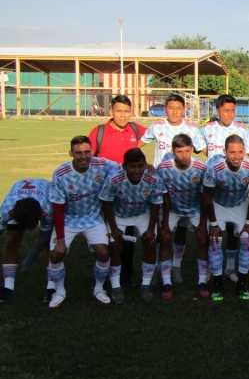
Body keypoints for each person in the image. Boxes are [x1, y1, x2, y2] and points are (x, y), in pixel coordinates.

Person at [139, 94, 207, 284]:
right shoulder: (157, 126)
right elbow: (138, 144)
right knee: (162, 228)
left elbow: (203, 150)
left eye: (179, 107)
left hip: (186, 186)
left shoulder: (192, 129)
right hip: (162, 183)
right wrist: (143, 163)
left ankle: (174, 267)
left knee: (180, 231)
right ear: (165, 108)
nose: (175, 111)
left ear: (184, 109)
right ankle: (155, 269)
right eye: (171, 107)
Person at [47, 136, 119, 308]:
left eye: (87, 152)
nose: (83, 156)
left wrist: (146, 166)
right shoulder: (60, 173)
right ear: (71, 153)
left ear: (92, 151)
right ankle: (59, 290)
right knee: (55, 254)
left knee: (103, 252)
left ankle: (99, 288)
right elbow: (58, 209)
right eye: (78, 153)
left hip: (93, 218)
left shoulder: (102, 164)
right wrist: (61, 240)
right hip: (68, 219)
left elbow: (124, 167)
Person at [88, 94, 147, 287]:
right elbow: (88, 158)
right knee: (107, 235)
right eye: (119, 111)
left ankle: (126, 275)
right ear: (111, 111)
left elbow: (160, 135)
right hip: (105, 193)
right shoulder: (99, 132)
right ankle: (104, 275)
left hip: (129, 193)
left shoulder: (136, 129)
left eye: (126, 111)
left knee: (127, 236)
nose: (123, 115)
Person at [202, 134, 249, 301]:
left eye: (240, 152)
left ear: (245, 151)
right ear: (224, 151)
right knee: (214, 240)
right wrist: (213, 223)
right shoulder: (213, 168)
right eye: (232, 152)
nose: (236, 156)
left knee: (247, 238)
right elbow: (207, 197)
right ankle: (218, 284)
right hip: (218, 204)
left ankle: (242, 283)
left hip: (240, 204)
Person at [100, 148, 164, 303]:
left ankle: (145, 284)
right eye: (132, 166)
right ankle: (115, 286)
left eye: (140, 166)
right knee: (115, 245)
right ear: (124, 166)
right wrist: (114, 228)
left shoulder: (154, 178)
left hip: (142, 214)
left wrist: (150, 229)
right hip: (119, 215)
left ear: (145, 164)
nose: (137, 170)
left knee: (150, 243)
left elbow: (156, 205)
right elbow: (107, 203)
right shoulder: (114, 178)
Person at [156, 135, 210, 301]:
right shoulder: (163, 168)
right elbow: (164, 197)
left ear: (192, 150)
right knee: (165, 239)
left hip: (195, 210)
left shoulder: (201, 168)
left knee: (203, 240)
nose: (184, 155)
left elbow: (204, 196)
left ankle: (202, 282)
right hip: (172, 209)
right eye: (180, 152)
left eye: (187, 151)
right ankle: (167, 282)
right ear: (173, 152)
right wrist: (164, 223)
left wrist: (202, 223)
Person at [0, 179, 53, 301]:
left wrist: (29, 260)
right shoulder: (7, 209)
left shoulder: (48, 209)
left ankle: (52, 286)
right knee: (12, 240)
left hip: (44, 189)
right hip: (20, 190)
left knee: (50, 245)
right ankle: (8, 288)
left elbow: (44, 238)